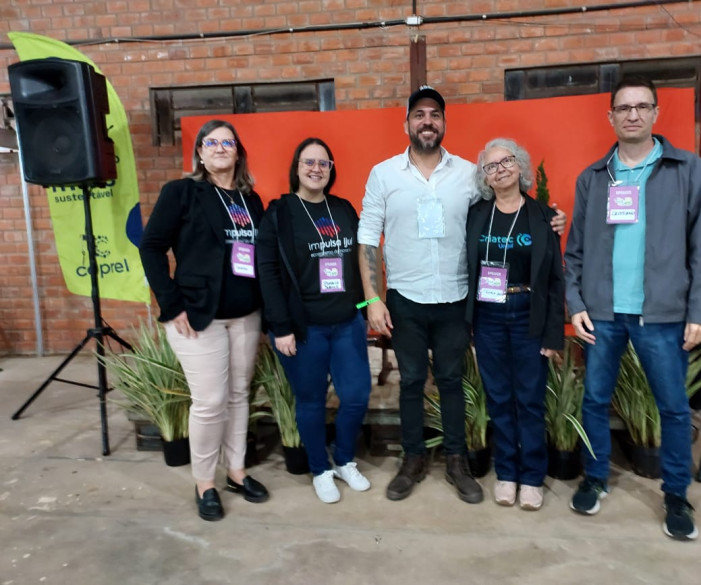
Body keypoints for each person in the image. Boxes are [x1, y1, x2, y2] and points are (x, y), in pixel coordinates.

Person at [357, 86, 566, 504]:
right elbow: (366, 236)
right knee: (411, 381)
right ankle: (413, 460)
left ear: (444, 123)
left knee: (452, 381)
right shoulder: (383, 174)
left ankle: (456, 461)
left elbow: (507, 207)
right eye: (419, 114)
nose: (427, 121)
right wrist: (372, 300)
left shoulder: (470, 174)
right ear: (407, 123)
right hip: (405, 299)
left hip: (456, 298)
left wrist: (549, 218)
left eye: (434, 114)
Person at [564, 76, 701, 540]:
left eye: (642, 106)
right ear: (610, 116)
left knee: (673, 407)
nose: (632, 114)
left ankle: (676, 494)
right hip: (603, 313)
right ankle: (595, 477)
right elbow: (575, 251)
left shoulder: (686, 170)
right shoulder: (594, 178)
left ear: (655, 113)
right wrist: (575, 303)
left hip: (663, 315)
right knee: (594, 400)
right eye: (624, 107)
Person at [140, 119, 269, 521]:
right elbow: (151, 247)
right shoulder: (182, 193)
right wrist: (171, 303)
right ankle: (205, 483)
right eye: (210, 143)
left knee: (238, 395)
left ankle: (236, 472)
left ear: (238, 152)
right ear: (199, 152)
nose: (219, 148)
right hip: (197, 316)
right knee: (210, 402)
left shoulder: (251, 200)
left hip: (245, 315)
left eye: (227, 142)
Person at [257, 137, 372, 504]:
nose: (316, 169)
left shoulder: (343, 208)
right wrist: (281, 327)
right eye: (309, 162)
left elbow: (361, 260)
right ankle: (320, 469)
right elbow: (267, 273)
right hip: (304, 328)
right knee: (310, 401)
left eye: (323, 163)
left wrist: (367, 306)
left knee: (356, 395)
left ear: (331, 170)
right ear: (297, 167)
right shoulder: (280, 213)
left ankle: (344, 460)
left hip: (346, 323)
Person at [465, 138, 564, 511]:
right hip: (487, 313)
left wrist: (553, 333)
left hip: (527, 312)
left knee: (530, 399)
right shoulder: (476, 215)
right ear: (485, 178)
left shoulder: (543, 216)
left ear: (520, 166)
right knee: (499, 398)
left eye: (507, 161)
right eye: (491, 166)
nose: (500, 169)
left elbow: (555, 279)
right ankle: (506, 473)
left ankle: (533, 477)